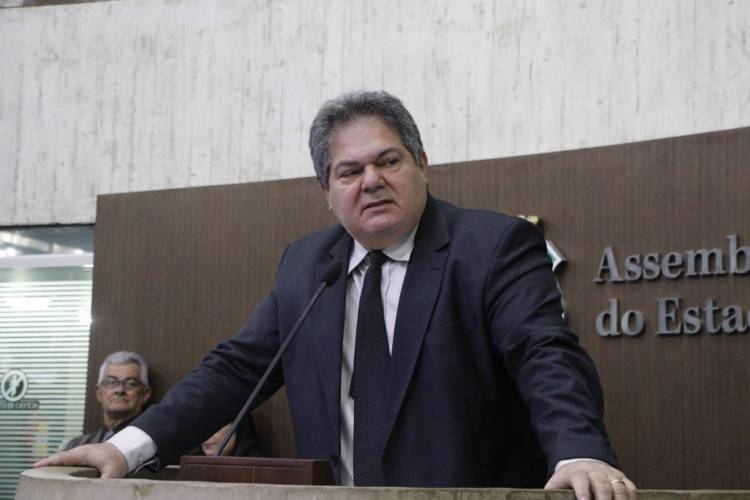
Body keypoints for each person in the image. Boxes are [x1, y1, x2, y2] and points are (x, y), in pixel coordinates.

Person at [37, 90, 636, 498]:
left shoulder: (492, 245)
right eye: (349, 172)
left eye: (388, 161)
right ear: (327, 188)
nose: (370, 180)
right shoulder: (308, 264)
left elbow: (544, 352)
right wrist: (127, 447)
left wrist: (578, 452)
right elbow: (238, 368)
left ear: (422, 163)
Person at [61, 351, 151, 450]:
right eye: (111, 382)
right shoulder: (76, 445)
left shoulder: (150, 447)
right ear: (99, 393)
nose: (119, 390)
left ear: (145, 394)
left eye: (130, 384)